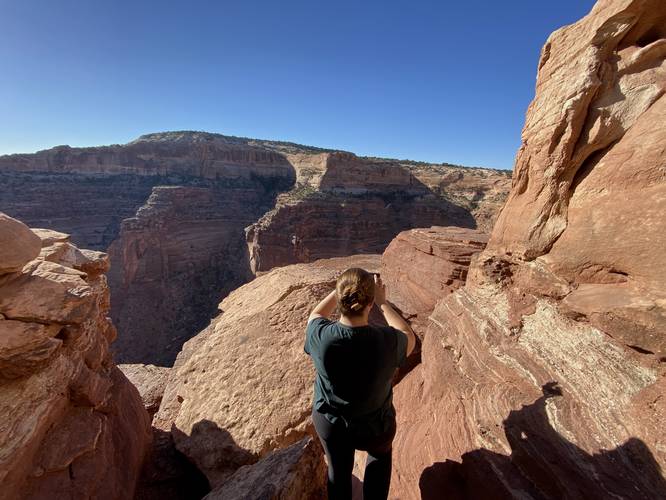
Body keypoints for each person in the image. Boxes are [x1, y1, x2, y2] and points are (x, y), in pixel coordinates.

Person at [304, 267, 416, 500]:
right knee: (380, 458)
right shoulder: (388, 341)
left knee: (338, 473)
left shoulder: (321, 337)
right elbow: (408, 334)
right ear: (370, 303)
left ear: (341, 300)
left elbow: (315, 315)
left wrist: (339, 289)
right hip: (375, 426)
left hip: (331, 424)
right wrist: (384, 303)